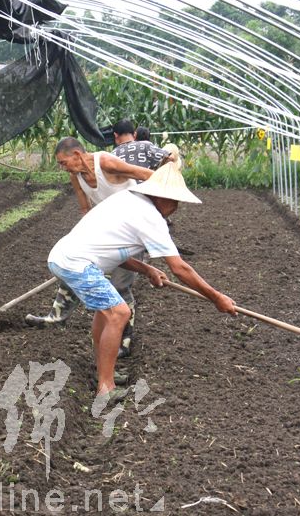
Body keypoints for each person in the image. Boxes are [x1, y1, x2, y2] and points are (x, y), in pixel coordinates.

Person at [47, 162, 236, 398]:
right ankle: (105, 388)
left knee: (106, 312)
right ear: (161, 197)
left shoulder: (127, 199)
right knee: (119, 313)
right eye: (175, 201)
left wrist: (147, 270)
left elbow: (114, 251)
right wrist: (216, 298)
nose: (176, 207)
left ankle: (104, 372)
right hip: (76, 263)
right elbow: (180, 268)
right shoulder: (150, 217)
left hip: (65, 257)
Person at [26, 129, 176, 362]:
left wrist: (160, 202)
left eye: (63, 162)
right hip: (104, 231)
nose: (63, 168)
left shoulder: (105, 162)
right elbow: (85, 208)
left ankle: (123, 341)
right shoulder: (76, 175)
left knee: (119, 286)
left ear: (77, 154)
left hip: (130, 231)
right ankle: (56, 317)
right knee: (73, 271)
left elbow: (146, 174)